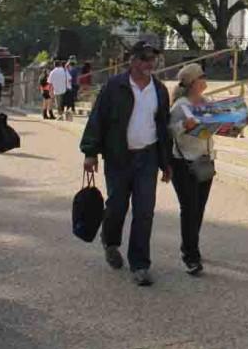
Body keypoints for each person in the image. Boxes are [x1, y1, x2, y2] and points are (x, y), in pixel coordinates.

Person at [81, 41, 172, 287]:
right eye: (143, 58)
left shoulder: (160, 90)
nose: (149, 63)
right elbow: (97, 118)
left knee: (144, 211)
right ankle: (110, 241)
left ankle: (140, 264)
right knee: (117, 206)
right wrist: (90, 152)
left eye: (152, 58)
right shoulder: (114, 86)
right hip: (119, 156)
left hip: (148, 157)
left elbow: (163, 127)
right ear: (131, 60)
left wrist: (166, 163)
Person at [167, 63, 215, 276]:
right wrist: (182, 127)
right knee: (189, 208)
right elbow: (169, 131)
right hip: (184, 162)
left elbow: (218, 127)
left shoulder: (207, 103)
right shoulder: (181, 106)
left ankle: (191, 245)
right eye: (202, 76)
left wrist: (241, 121)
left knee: (199, 208)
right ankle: (190, 255)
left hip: (204, 160)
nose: (206, 79)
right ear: (193, 82)